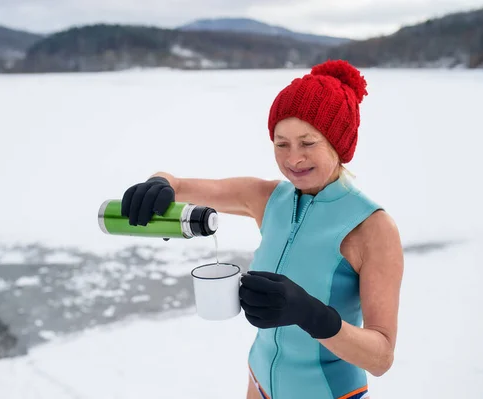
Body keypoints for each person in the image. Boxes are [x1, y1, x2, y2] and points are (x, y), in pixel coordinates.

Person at [120, 59, 404, 399]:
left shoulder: (373, 228)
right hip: (259, 384)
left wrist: (310, 313)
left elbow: (381, 356)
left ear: (337, 143)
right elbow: (179, 185)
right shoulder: (268, 198)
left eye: (308, 142)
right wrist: (158, 183)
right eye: (281, 143)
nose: (293, 158)